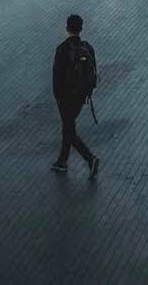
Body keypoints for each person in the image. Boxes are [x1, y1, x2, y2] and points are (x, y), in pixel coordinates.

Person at [50, 14, 100, 178]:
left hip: (65, 98)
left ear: (67, 28)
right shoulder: (88, 47)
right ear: (80, 29)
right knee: (68, 127)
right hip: (81, 96)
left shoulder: (62, 49)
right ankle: (62, 161)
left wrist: (58, 96)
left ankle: (90, 159)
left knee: (69, 130)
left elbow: (57, 76)